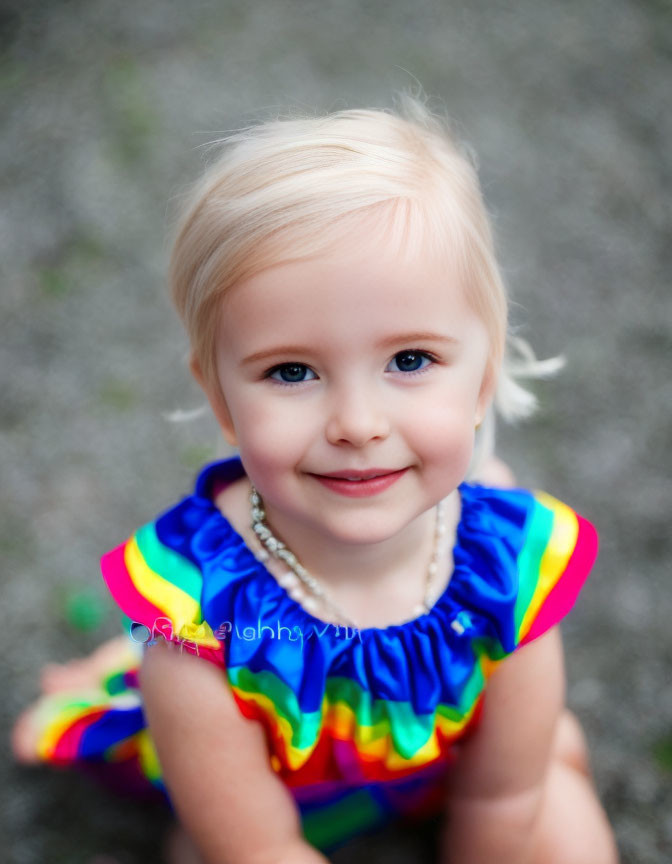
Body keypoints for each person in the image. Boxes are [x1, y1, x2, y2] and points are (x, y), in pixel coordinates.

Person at [12, 95, 619, 864]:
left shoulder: (506, 560)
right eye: (292, 371)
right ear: (221, 401)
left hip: (448, 762)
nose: (357, 423)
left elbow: (502, 794)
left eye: (410, 361)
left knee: (554, 791)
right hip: (282, 800)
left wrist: (493, 828)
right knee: (201, 849)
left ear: (482, 376)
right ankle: (121, 687)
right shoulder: (200, 622)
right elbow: (256, 849)